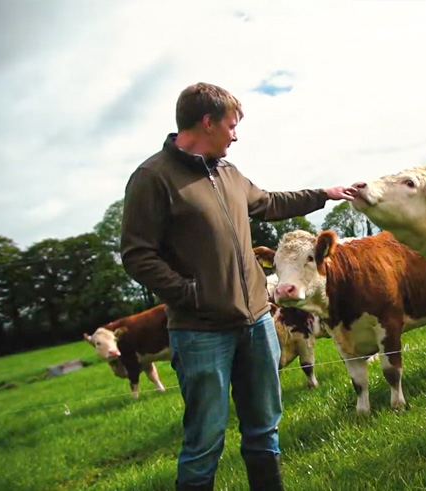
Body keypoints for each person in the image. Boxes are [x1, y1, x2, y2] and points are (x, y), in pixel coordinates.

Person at [120, 82, 357, 491]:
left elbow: (270, 202)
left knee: (265, 430)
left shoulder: (229, 173)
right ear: (207, 122)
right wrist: (190, 294)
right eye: (231, 125)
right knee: (204, 442)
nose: (235, 134)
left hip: (256, 324)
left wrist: (323, 195)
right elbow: (136, 254)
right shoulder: (152, 178)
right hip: (200, 332)